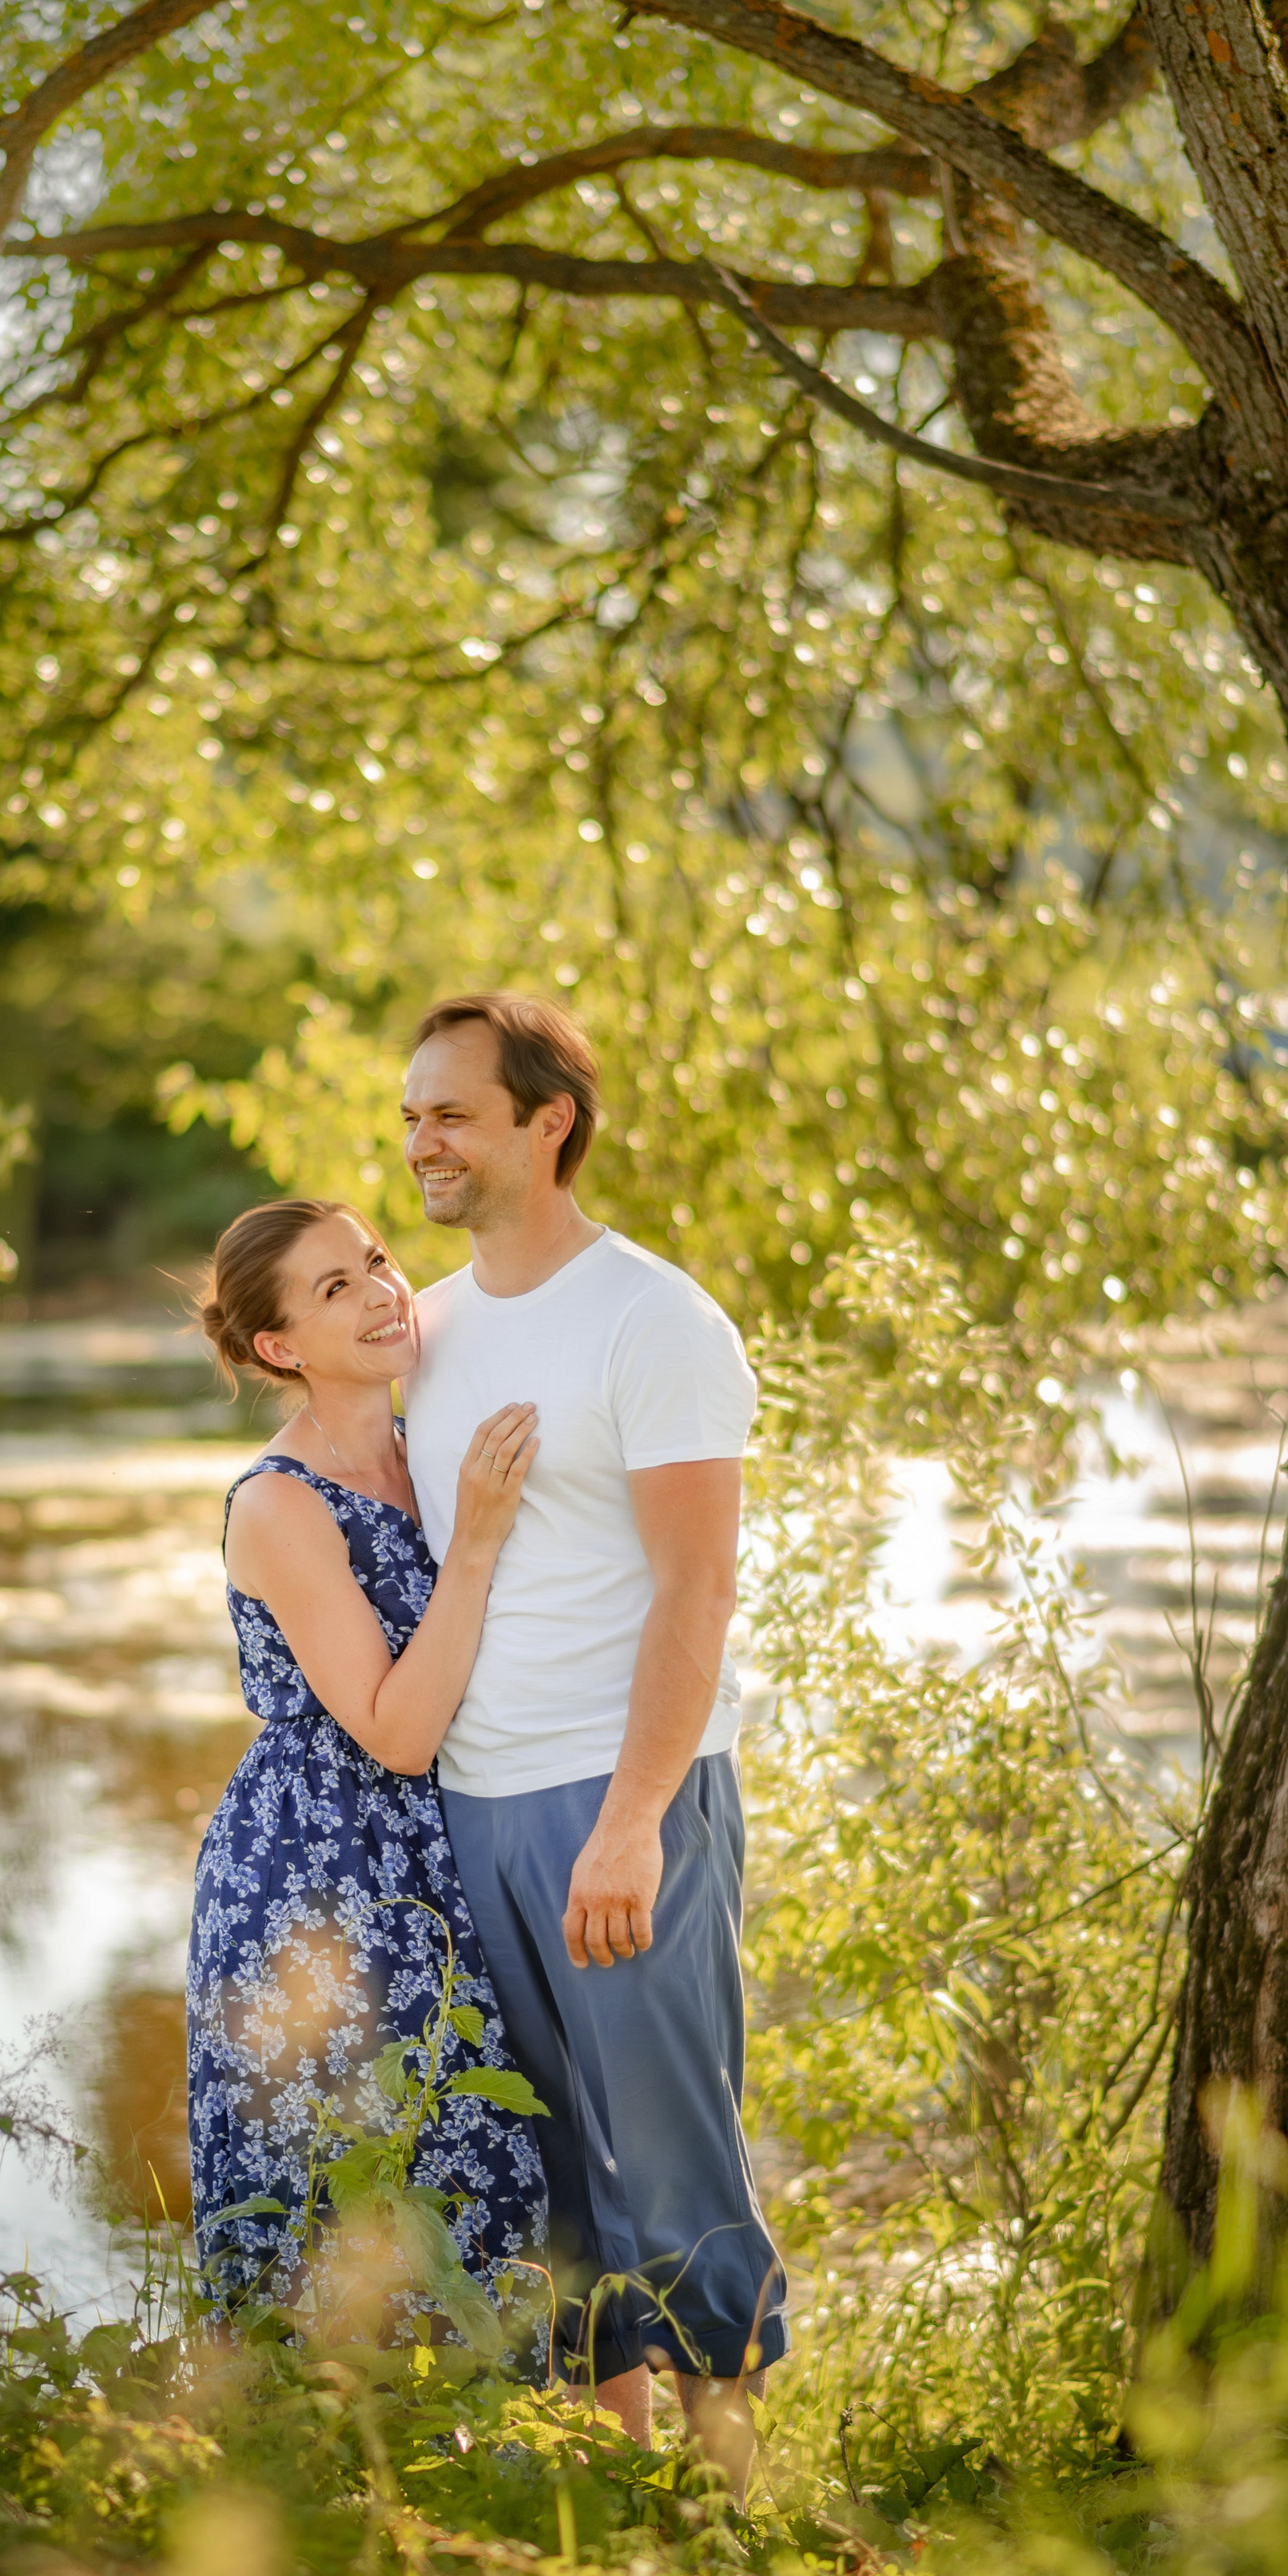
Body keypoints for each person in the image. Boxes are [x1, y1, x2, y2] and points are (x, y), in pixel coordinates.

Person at [400, 991, 787, 2487]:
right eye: (412, 1115)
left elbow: (699, 1586)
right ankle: (611, 2510)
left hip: (623, 1796)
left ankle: (737, 2507)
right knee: (549, 2177)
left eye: (452, 1113)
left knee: (674, 2163)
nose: (422, 1142)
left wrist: (633, 1821)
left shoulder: (654, 1319)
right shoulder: (425, 1330)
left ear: (547, 1122)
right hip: (475, 1804)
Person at [187, 1197, 548, 2324]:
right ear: (279, 1345)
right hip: (317, 1876)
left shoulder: (427, 1445)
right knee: (344, 2186)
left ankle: (508, 2428)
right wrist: (475, 1542)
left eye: (377, 1260)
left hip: (441, 1847)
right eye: (335, 1288)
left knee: (483, 2169)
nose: (385, 1293)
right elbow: (395, 1729)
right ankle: (325, 2436)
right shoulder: (279, 1504)